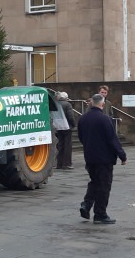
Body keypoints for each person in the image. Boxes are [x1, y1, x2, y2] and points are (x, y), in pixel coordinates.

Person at [78, 93, 126, 225]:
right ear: (103, 104)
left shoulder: (83, 118)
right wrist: (122, 155)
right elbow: (112, 139)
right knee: (104, 185)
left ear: (92, 103)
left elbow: (81, 137)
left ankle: (86, 205)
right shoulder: (105, 119)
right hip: (104, 159)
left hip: (90, 157)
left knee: (94, 182)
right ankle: (100, 214)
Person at [54, 91, 76, 169]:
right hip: (67, 127)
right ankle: (66, 163)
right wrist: (73, 125)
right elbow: (70, 116)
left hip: (57, 127)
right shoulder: (67, 104)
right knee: (67, 146)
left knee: (59, 145)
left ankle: (58, 163)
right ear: (66, 98)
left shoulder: (55, 104)